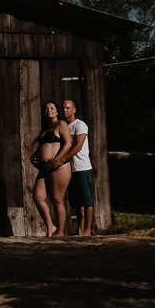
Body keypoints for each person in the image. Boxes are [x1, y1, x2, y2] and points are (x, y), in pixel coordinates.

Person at [51, 98, 94, 236]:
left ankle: (88, 230)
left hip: (82, 167)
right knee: (77, 202)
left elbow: (78, 146)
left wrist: (62, 159)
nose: (65, 110)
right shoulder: (64, 126)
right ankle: (80, 229)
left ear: (74, 110)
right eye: (63, 108)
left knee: (87, 201)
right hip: (71, 168)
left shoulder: (80, 125)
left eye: (68, 108)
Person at [29, 100, 71, 237]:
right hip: (44, 167)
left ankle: (60, 232)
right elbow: (44, 146)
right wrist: (34, 156)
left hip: (58, 166)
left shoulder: (61, 124)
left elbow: (67, 144)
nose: (49, 110)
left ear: (57, 111)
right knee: (38, 196)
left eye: (52, 108)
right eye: (46, 109)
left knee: (57, 199)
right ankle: (50, 226)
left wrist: (58, 159)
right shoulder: (46, 128)